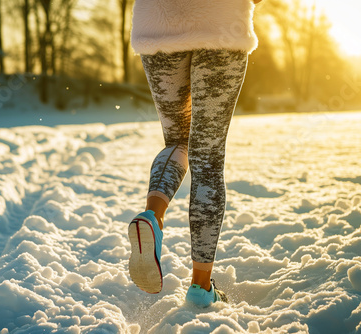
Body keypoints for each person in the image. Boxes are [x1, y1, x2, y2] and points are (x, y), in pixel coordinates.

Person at [128, 0, 262, 306]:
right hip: (221, 22)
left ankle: (153, 216)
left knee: (177, 140)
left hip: (158, 24)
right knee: (208, 158)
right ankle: (201, 288)